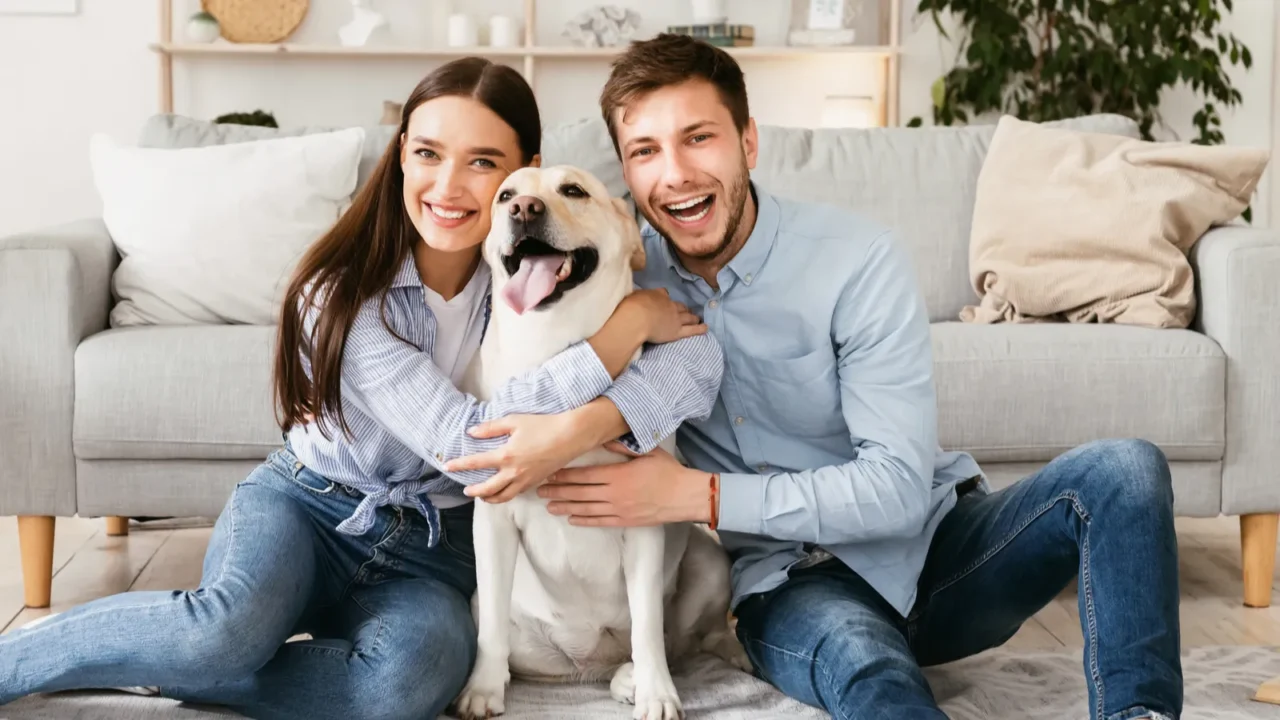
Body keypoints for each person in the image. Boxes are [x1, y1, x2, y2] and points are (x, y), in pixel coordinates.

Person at [0, 57, 724, 720]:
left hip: (433, 547)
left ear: (522, 174)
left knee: (410, 682)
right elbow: (464, 441)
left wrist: (630, 338)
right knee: (225, 630)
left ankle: (166, 662)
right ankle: (41, 657)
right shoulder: (341, 295)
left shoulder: (536, 274)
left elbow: (693, 359)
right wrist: (615, 350)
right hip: (311, 507)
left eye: (483, 164)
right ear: (401, 154)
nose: (449, 186)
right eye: (428, 155)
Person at [494, 34, 1182, 720]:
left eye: (698, 138)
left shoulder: (857, 260)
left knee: (1125, 470)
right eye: (645, 152)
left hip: (940, 551)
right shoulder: (611, 270)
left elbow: (896, 492)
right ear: (626, 177)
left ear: (748, 143)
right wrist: (609, 360)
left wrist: (697, 496)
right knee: (873, 672)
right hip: (788, 585)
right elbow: (512, 386)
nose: (673, 174)